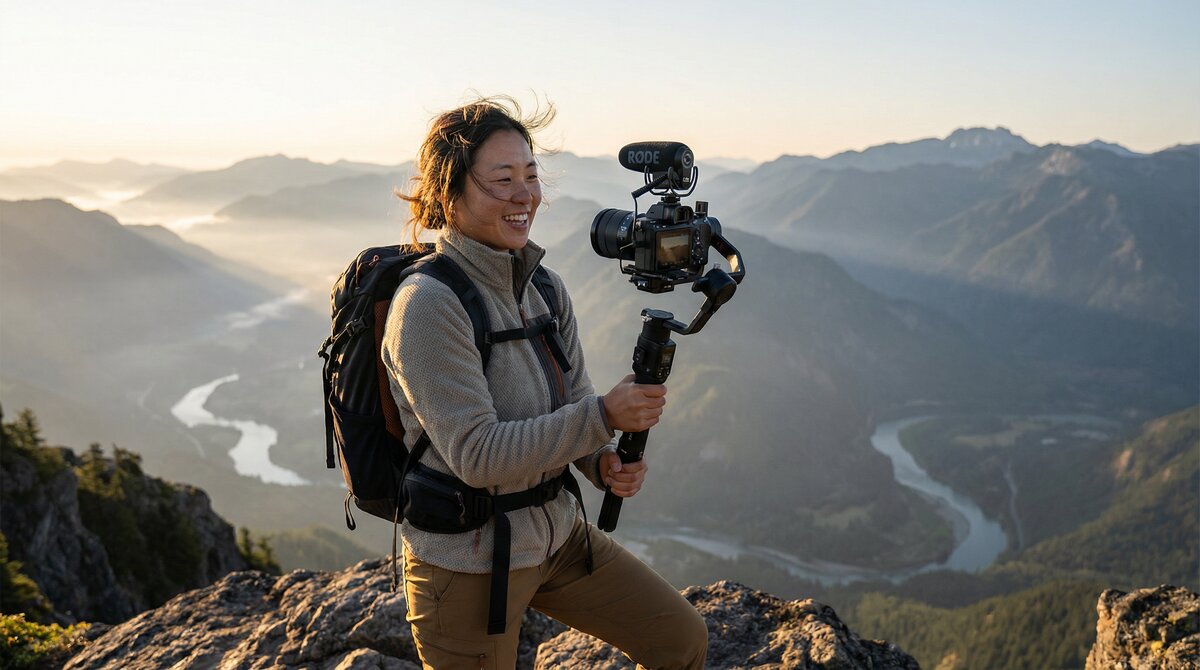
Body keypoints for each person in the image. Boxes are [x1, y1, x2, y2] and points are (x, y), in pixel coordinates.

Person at [381, 97, 709, 668]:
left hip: (555, 533)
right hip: (467, 558)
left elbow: (575, 396)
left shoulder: (544, 286)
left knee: (677, 639)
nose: (524, 195)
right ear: (449, 194)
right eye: (501, 180)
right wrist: (603, 418)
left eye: (531, 176)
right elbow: (478, 456)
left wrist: (599, 461)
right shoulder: (429, 305)